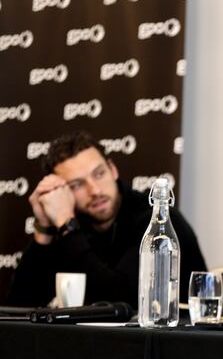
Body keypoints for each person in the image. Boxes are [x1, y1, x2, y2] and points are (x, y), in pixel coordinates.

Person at [8, 131, 207, 308]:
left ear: (112, 169)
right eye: (77, 185)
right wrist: (44, 228)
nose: (95, 190)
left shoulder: (156, 219)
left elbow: (119, 301)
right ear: (62, 193)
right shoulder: (71, 224)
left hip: (174, 336)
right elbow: (19, 307)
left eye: (99, 174)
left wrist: (67, 225)